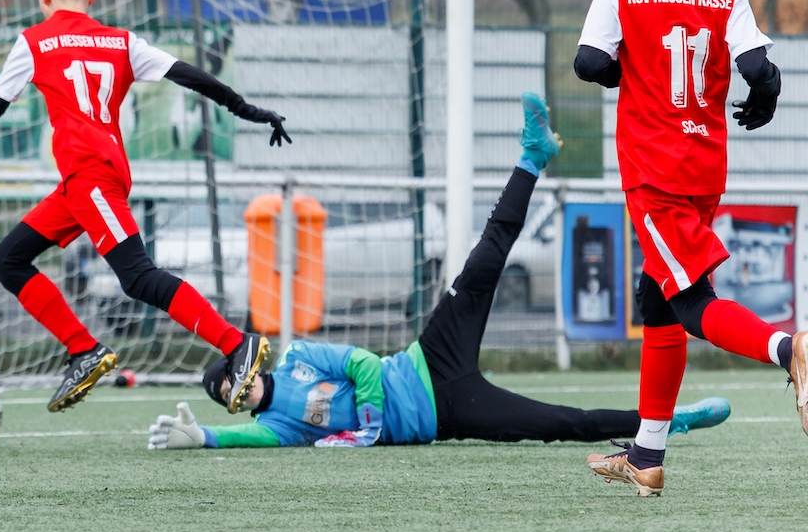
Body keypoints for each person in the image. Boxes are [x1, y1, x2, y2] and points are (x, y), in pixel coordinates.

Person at [146, 94, 732, 452]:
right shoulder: (277, 425)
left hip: (427, 359)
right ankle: (669, 422)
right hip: (449, 413)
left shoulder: (297, 355)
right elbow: (245, 440)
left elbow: (362, 364)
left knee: (483, 262)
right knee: (559, 423)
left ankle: (532, 156)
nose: (240, 392)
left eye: (235, 381)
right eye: (231, 397)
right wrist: (202, 438)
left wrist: (368, 422)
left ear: (248, 367)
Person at [0, 0, 283, 414]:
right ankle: (83, 350)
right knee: (9, 260)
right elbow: (190, 75)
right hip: (86, 181)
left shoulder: (34, 41)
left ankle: (236, 343)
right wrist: (245, 109)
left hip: (90, 176)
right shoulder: (122, 42)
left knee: (137, 276)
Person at [574, 0, 798, 496]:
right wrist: (766, 97)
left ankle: (789, 349)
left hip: (655, 170)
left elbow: (589, 61)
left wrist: (629, 71)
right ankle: (647, 455)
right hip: (703, 168)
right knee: (659, 299)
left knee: (693, 301)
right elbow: (759, 68)